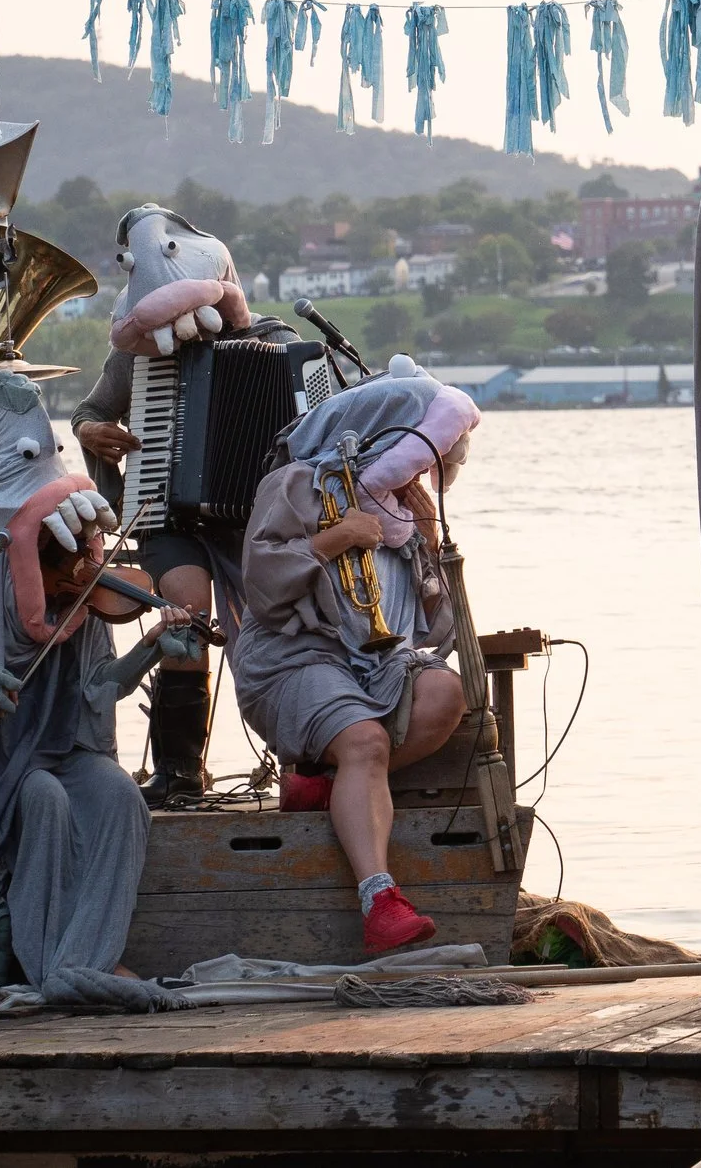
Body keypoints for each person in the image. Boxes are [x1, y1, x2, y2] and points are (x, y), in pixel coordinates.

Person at [0, 367, 198, 988]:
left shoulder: (83, 599)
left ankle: (91, 955)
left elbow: (96, 692)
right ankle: (50, 958)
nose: (86, 575)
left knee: (115, 793)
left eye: (90, 556)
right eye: (69, 566)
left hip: (56, 749)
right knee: (45, 799)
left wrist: (154, 650)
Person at [235, 357, 478, 956]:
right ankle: (379, 899)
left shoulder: (403, 508)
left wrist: (432, 549)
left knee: (447, 693)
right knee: (366, 741)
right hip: (294, 656)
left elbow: (435, 628)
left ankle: (328, 786)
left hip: (377, 661)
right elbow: (261, 586)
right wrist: (340, 535)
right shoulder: (296, 485)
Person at [72, 204, 300, 804]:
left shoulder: (277, 343)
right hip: (168, 511)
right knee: (187, 605)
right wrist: (93, 433)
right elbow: (90, 413)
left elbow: (317, 427)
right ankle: (180, 771)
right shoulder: (135, 356)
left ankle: (304, 754)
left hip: (258, 521)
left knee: (289, 622)